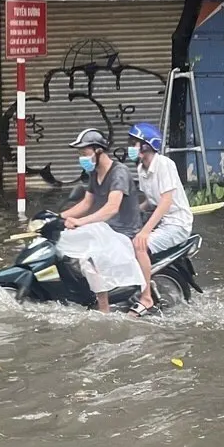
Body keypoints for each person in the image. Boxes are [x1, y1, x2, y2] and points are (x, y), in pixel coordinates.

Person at [57, 128, 145, 314]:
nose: (81, 157)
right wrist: (59, 217)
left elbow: (112, 208)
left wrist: (81, 222)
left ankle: (103, 309)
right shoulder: (94, 173)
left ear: (98, 150)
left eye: (84, 153)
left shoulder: (118, 172)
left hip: (124, 231)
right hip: (107, 229)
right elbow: (87, 203)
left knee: (89, 257)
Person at [127, 122, 194, 316]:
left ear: (147, 145)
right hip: (164, 222)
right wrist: (133, 213)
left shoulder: (164, 164)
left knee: (140, 244)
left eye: (135, 143)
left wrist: (145, 231)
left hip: (177, 224)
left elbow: (165, 201)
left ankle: (146, 298)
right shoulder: (142, 168)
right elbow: (150, 201)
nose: (131, 146)